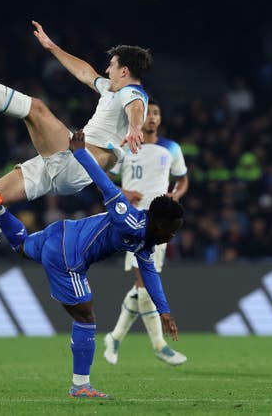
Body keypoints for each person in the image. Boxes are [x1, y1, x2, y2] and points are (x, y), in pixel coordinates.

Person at [0, 21, 153, 294]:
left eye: (112, 64)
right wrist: (52, 47)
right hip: (67, 162)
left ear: (125, 70)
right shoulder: (111, 90)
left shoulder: (132, 93)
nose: (107, 69)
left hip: (77, 161)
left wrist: (134, 128)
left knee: (36, 108)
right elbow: (85, 72)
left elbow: (136, 107)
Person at [0, 131, 182, 398]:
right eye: (172, 229)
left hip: (59, 233)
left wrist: (164, 311)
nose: (173, 235)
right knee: (86, 316)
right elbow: (105, 185)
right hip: (69, 256)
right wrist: (80, 152)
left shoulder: (146, 241)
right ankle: (81, 386)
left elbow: (149, 273)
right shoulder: (128, 219)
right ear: (158, 224)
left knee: (22, 247)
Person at [103, 98, 189, 366]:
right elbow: (103, 175)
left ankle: (114, 338)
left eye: (156, 112)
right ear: (140, 118)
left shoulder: (171, 148)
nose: (152, 116)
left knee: (140, 287)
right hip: (133, 221)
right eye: (148, 112)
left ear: (160, 119)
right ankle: (159, 345)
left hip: (159, 226)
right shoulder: (127, 146)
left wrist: (175, 196)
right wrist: (123, 192)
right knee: (143, 284)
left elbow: (182, 179)